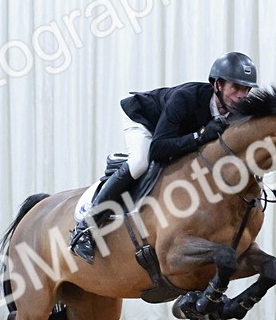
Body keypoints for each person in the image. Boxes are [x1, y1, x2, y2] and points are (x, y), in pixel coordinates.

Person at [69, 51, 259, 263]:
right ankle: (86, 227)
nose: (242, 95)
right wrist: (201, 136)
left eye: (246, 89)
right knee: (140, 162)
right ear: (218, 85)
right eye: (236, 88)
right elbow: (158, 149)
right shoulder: (186, 98)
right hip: (143, 120)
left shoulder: (235, 113)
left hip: (173, 133)